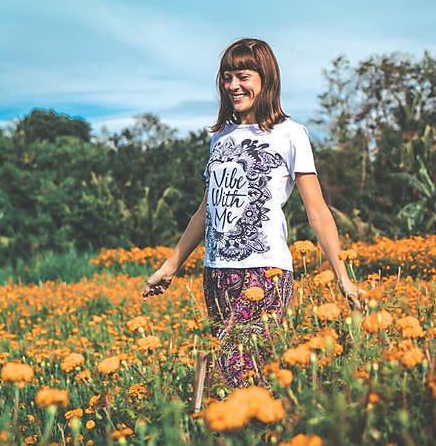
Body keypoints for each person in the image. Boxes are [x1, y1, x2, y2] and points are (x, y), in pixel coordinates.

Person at [141, 37, 366, 389]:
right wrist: (171, 266)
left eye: (242, 76)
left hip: (266, 271)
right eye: (227, 77)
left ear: (266, 78)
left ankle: (249, 436)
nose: (233, 86)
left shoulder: (291, 134)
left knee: (235, 367)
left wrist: (342, 275)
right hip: (216, 273)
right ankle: (256, 438)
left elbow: (318, 211)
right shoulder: (220, 137)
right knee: (241, 376)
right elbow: (208, 208)